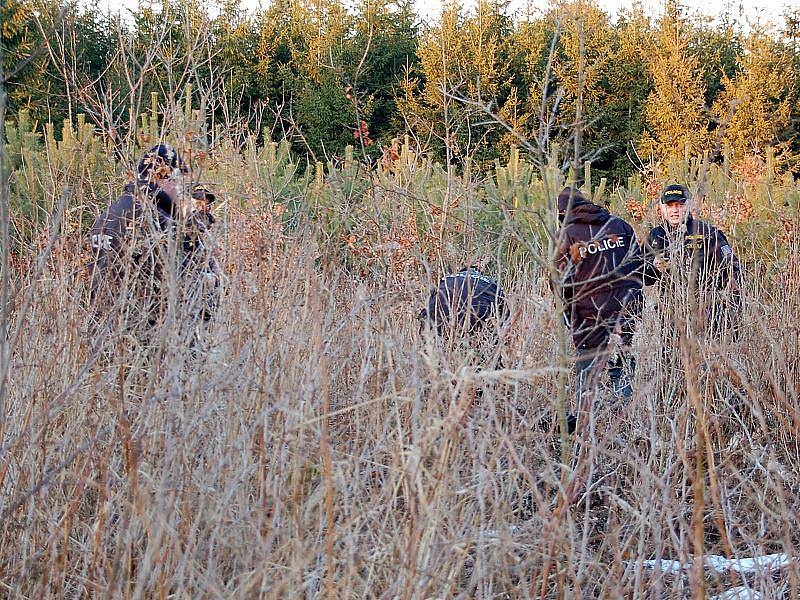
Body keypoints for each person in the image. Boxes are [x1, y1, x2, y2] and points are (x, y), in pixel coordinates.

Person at [553, 187, 644, 402]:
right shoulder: (620, 225)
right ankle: (624, 414)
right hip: (626, 308)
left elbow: (559, 281)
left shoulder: (566, 235)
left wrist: (567, 312)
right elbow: (639, 266)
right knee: (622, 358)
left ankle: (588, 415)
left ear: (562, 213)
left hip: (588, 313)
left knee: (588, 368)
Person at [644, 184, 741, 340]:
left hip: (707, 314)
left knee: (706, 361)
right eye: (669, 205)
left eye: (679, 205)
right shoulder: (656, 235)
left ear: (688, 206)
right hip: (671, 316)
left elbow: (733, 271)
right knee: (670, 362)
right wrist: (654, 267)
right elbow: (643, 277)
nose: (674, 210)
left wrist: (728, 309)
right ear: (662, 208)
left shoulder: (707, 232)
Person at [418, 266, 508, 367]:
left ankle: (433, 371)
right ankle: (490, 371)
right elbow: (505, 315)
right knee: (486, 347)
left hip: (440, 308)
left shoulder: (446, 279)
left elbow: (429, 304)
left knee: (432, 343)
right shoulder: (490, 282)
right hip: (477, 310)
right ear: (479, 274)